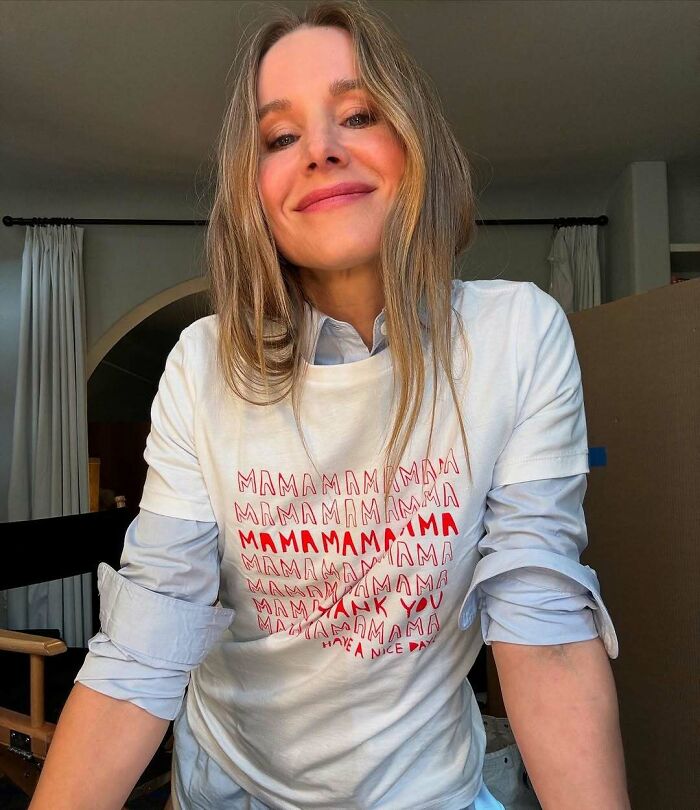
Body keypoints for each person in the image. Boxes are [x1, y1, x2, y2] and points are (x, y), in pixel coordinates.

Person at [30, 2, 630, 808]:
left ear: (414, 147)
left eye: (357, 113)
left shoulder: (517, 337)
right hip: (229, 792)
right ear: (255, 189)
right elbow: (145, 644)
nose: (321, 149)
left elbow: (543, 624)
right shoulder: (202, 367)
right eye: (280, 137)